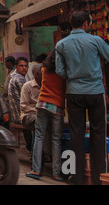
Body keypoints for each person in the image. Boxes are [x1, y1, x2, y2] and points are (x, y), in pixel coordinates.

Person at [55, 10, 109, 185]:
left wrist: (74, 75)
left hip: (73, 93)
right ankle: (99, 178)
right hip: (95, 92)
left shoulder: (61, 44)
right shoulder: (96, 40)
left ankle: (75, 176)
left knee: (76, 134)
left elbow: (59, 71)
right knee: (99, 134)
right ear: (86, 24)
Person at [26, 49, 66, 181]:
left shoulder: (44, 70)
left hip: (42, 104)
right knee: (56, 140)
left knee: (39, 137)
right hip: (57, 107)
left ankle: (36, 170)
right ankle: (56, 173)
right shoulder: (64, 73)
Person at [20, 64, 42, 153]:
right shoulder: (27, 86)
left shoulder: (46, 86)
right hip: (28, 115)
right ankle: (36, 153)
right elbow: (23, 106)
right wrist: (37, 110)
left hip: (42, 114)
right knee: (39, 122)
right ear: (37, 74)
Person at [8, 57, 29, 124]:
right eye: (21, 66)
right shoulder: (19, 79)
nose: (24, 68)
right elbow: (26, 98)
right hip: (20, 115)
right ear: (16, 67)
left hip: (15, 116)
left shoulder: (14, 77)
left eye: (26, 66)